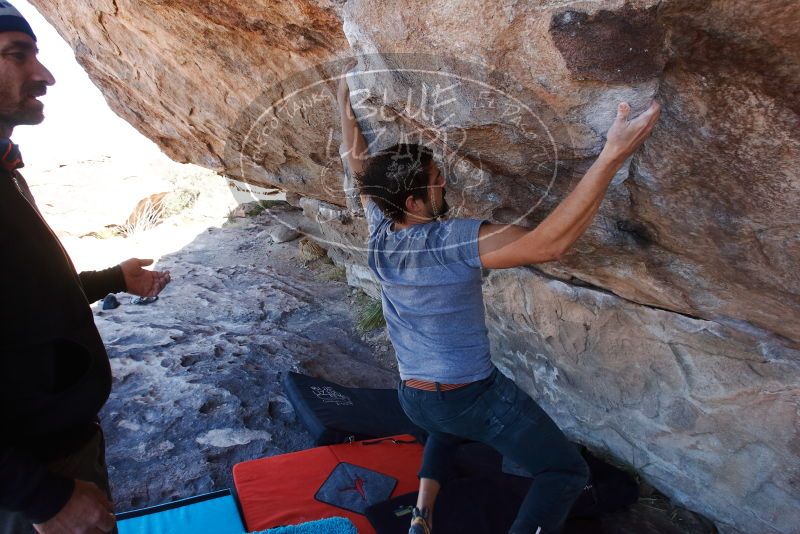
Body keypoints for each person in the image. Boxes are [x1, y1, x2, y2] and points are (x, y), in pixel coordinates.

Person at [337, 62, 660, 534]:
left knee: (444, 428)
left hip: (413, 394)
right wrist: (611, 154)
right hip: (469, 394)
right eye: (434, 180)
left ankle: (422, 515)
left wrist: (343, 98)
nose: (443, 182)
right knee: (564, 472)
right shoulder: (450, 240)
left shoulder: (381, 228)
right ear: (412, 202)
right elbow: (550, 244)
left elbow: (358, 163)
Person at [0, 3, 171, 532]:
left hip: (56, 451)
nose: (46, 75)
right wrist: (43, 497)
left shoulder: (5, 168)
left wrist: (111, 280)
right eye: (17, 55)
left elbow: (25, 302)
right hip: (29, 480)